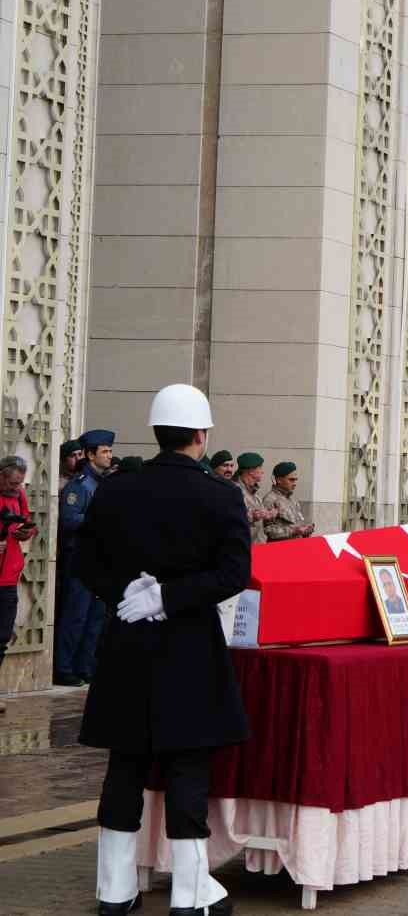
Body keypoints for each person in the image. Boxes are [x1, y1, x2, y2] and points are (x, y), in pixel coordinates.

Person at [77, 384, 250, 915]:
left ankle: (114, 889)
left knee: (125, 764)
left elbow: (86, 562)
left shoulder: (117, 489)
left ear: (156, 433)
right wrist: (168, 597)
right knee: (186, 767)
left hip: (127, 644)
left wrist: (126, 592)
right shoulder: (220, 495)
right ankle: (190, 893)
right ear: (201, 435)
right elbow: (233, 573)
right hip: (189, 647)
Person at [54, 427, 115, 687]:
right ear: (90, 455)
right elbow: (69, 520)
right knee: (76, 615)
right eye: (105, 451)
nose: (110, 456)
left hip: (100, 561)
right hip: (80, 559)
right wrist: (96, 520)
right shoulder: (79, 486)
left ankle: (85, 665)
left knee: (95, 618)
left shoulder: (104, 483)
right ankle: (64, 667)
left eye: (110, 451)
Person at [0, 455, 39, 711]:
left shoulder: (19, 496)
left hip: (8, 575)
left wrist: (27, 531)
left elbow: (26, 522)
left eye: (20, 484)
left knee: (2, 636)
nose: (17, 488)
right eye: (13, 483)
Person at [261, 463, 315, 541]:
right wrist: (293, 531)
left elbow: (297, 523)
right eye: (291, 480)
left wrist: (305, 530)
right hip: (280, 549)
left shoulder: (292, 500)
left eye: (296, 480)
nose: (295, 484)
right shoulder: (270, 500)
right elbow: (267, 531)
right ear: (279, 480)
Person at [233, 452, 276, 545]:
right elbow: (233, 518)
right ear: (251, 471)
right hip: (242, 550)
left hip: (257, 548)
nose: (262, 471)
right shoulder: (234, 491)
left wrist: (269, 515)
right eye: (260, 467)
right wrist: (253, 516)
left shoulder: (255, 494)